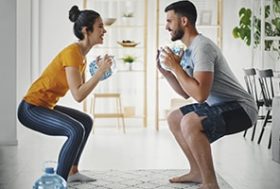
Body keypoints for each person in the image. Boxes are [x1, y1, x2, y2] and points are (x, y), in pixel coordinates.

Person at [157, 1, 258, 189]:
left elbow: (201, 95)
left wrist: (176, 67)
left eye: (170, 21)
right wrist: (167, 72)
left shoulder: (202, 47)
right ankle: (196, 172)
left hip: (241, 108)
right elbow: (186, 93)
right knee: (174, 118)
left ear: (184, 21)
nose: (166, 26)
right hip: (219, 106)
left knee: (189, 121)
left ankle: (211, 184)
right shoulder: (189, 51)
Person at [17, 5, 112, 182]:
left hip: (45, 106)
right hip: (30, 109)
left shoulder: (81, 55)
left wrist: (98, 71)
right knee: (76, 129)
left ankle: (72, 172)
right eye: (100, 26)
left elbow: (81, 87)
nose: (104, 30)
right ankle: (59, 181)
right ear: (86, 30)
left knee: (85, 121)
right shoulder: (72, 53)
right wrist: (99, 74)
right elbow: (78, 95)